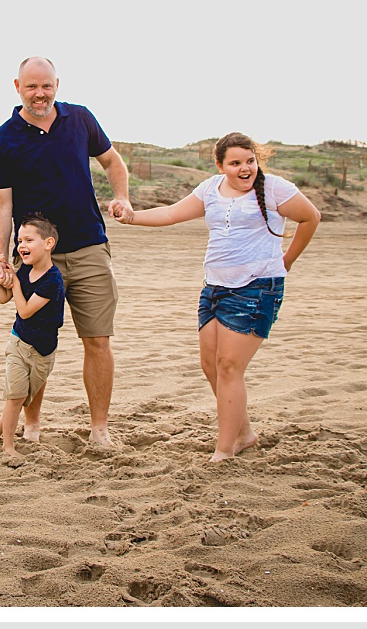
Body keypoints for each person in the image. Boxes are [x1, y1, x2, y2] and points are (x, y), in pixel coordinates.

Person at [111, 133, 321, 461]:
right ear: (221, 165)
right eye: (235, 163)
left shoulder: (273, 188)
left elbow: (311, 217)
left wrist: (287, 260)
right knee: (211, 364)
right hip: (214, 288)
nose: (244, 168)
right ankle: (244, 434)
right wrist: (133, 216)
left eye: (249, 161)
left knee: (229, 366)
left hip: (256, 287)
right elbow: (171, 214)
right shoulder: (210, 189)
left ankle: (224, 451)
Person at [0, 56, 132, 448]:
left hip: (88, 247)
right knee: (35, 340)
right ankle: (31, 426)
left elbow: (112, 162)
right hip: (36, 256)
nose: (40, 94)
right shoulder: (3, 140)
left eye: (46, 86)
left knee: (98, 340)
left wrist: (121, 198)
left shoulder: (80, 120)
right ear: (17, 87)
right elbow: (0, 204)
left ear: (57, 84)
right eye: (32, 86)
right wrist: (0, 254)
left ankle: (99, 429)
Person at [0, 215, 65, 454]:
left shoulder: (53, 280)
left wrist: (16, 286)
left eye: (29, 240)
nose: (21, 245)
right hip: (19, 342)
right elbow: (3, 299)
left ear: (48, 244)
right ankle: (7, 446)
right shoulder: (23, 270)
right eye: (19, 240)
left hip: (43, 350)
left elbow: (26, 310)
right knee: (14, 396)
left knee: (19, 398)